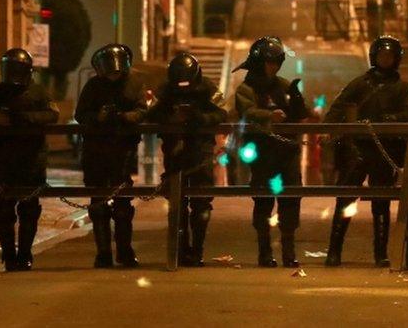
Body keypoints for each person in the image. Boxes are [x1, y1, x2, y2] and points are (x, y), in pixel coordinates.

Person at [323, 36, 408, 267]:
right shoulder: (361, 83)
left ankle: (381, 253)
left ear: (396, 59)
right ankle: (334, 252)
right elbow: (338, 106)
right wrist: (328, 128)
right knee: (345, 199)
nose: (385, 60)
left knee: (381, 203)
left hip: (386, 150)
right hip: (358, 149)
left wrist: (391, 120)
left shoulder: (402, 87)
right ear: (374, 57)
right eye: (382, 56)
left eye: (389, 56)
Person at [0, 49, 59, 270]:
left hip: (32, 159)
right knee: (4, 209)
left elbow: (51, 114)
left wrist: (23, 119)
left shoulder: (38, 93)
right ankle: (9, 255)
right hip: (5, 159)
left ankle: (25, 253)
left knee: (29, 209)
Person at [233, 37, 309, 267]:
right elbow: (246, 111)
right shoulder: (246, 88)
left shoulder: (283, 85)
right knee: (263, 202)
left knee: (290, 200)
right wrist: (269, 116)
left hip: (286, 151)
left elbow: (299, 115)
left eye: (277, 62)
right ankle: (265, 252)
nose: (273, 67)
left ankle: (289, 252)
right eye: (269, 62)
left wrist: (296, 100)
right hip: (263, 152)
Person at [148, 52, 227, 266]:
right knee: (177, 203)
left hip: (201, 150)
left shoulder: (207, 88)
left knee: (201, 203)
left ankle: (197, 251)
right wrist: (170, 118)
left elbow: (223, 113)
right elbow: (151, 113)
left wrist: (199, 118)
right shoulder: (165, 90)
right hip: (174, 150)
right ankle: (180, 250)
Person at [75, 44, 148, 268]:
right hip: (96, 150)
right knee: (98, 204)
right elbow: (81, 115)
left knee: (123, 205)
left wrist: (127, 117)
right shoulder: (93, 86)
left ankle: (124, 250)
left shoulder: (134, 83)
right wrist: (99, 117)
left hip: (123, 150)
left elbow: (143, 110)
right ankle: (103, 252)